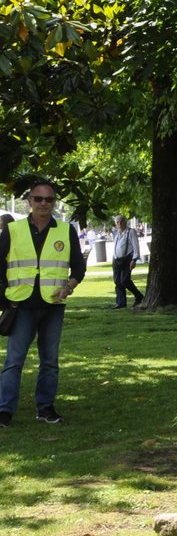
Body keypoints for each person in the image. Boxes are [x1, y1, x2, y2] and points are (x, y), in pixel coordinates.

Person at [1, 179, 86, 427]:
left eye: (49, 199)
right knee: (14, 361)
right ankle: (4, 410)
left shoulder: (65, 230)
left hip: (52, 305)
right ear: (29, 201)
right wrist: (2, 296)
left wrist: (69, 287)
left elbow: (79, 267)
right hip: (21, 305)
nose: (44, 203)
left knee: (50, 361)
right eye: (38, 199)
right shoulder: (13, 230)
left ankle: (46, 407)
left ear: (54, 202)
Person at [110, 215, 143, 308]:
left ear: (125, 222)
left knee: (125, 280)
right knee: (117, 281)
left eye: (121, 222)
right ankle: (121, 303)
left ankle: (139, 296)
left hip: (127, 259)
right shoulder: (117, 233)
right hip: (116, 260)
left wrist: (134, 259)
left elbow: (136, 246)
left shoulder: (131, 232)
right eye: (117, 222)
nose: (119, 224)